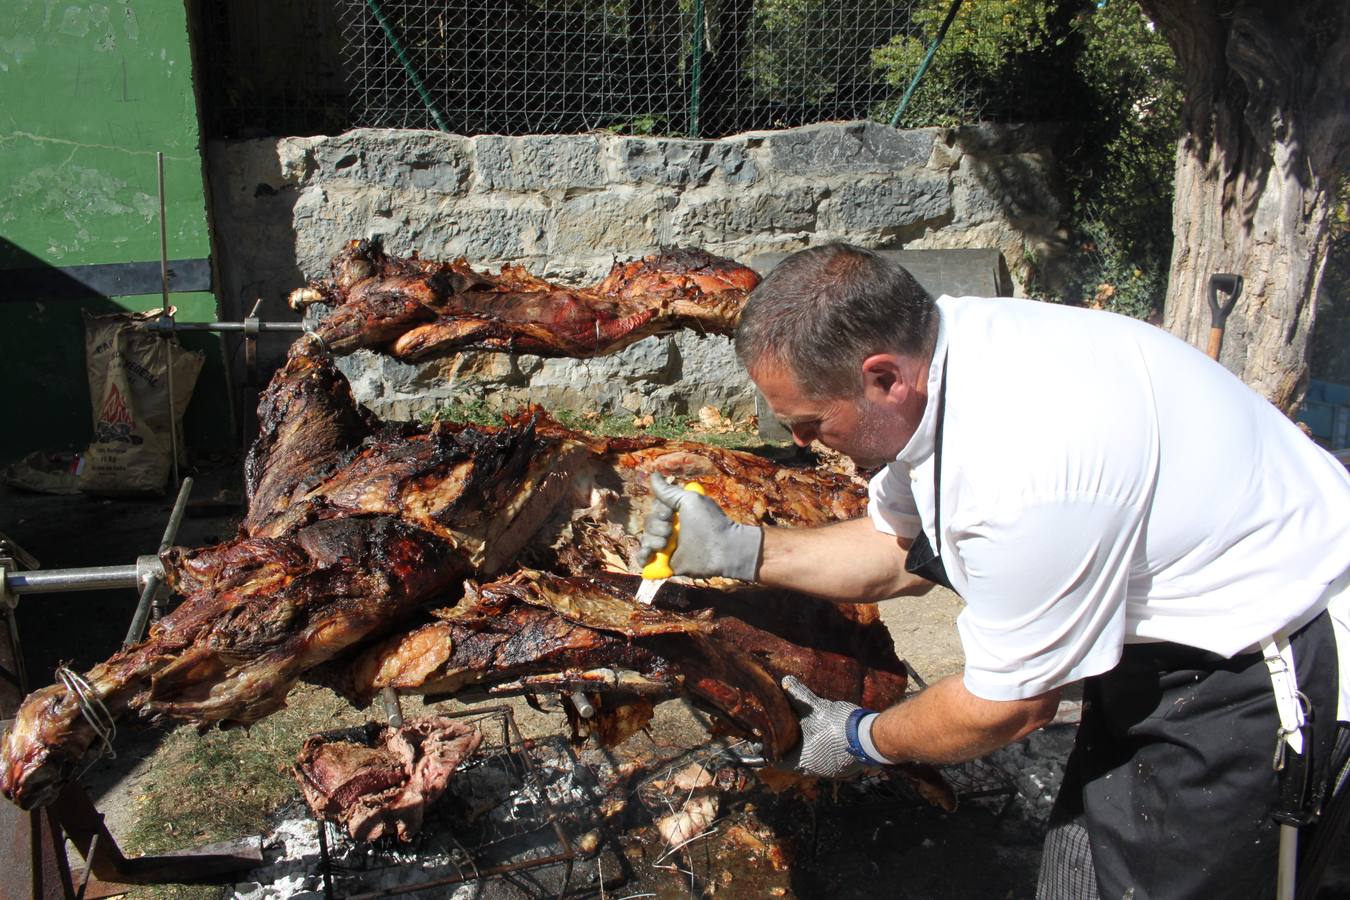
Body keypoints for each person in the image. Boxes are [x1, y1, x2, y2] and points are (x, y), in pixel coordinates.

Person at [635, 242, 1350, 898]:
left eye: (810, 424)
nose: (798, 442)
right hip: (1159, 651)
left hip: (1266, 667)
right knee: (1084, 873)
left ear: (882, 378)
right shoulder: (944, 353)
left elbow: (1011, 706)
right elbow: (895, 549)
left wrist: (858, 739)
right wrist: (738, 549)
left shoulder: (1022, 472)